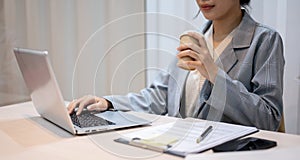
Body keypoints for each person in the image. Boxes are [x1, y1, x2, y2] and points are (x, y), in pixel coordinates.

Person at [68, 0, 285, 131]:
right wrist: (107, 102)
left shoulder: (265, 40)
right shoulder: (194, 39)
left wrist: (215, 74)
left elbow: (268, 118)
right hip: (179, 149)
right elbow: (158, 97)